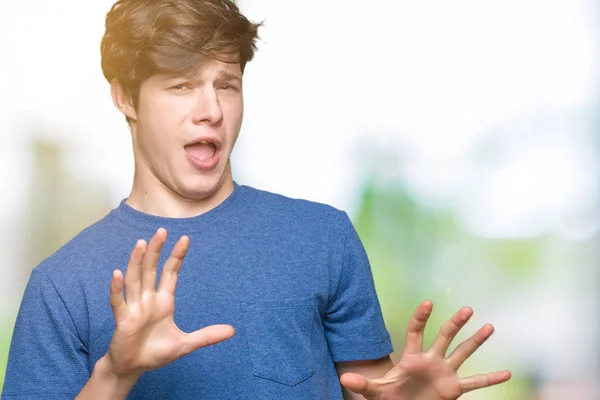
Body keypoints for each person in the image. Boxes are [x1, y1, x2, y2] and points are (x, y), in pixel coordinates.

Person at [2, 0, 511, 399]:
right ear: (125, 97)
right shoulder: (61, 285)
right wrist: (115, 374)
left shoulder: (321, 239)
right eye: (181, 86)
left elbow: (372, 392)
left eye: (227, 84)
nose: (212, 111)